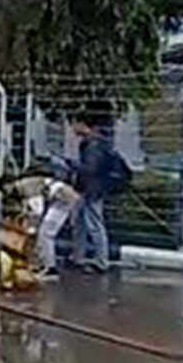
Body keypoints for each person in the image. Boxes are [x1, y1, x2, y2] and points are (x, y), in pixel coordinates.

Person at [70, 111, 113, 273]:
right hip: (86, 189)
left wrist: (72, 165)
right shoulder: (92, 142)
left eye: (74, 123)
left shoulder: (93, 145)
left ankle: (101, 261)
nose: (73, 128)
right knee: (79, 224)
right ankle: (78, 257)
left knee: (94, 225)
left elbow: (90, 169)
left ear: (83, 125)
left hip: (91, 190)